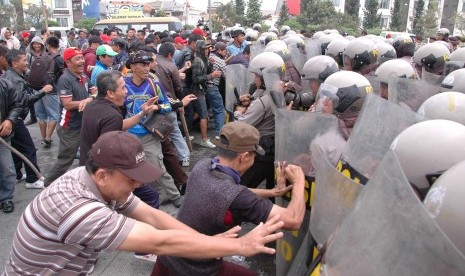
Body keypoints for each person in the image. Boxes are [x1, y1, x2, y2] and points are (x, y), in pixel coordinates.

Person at [3, 130, 285, 275]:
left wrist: (202, 239)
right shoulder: (80, 211)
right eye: (131, 179)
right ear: (103, 175)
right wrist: (238, 245)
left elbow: (153, 217)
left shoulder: (89, 177)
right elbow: (158, 242)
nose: (138, 185)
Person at [153, 122, 305, 275]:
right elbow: (293, 220)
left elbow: (232, 192)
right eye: (254, 156)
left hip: (167, 257)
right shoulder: (235, 197)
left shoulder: (203, 166)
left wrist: (273, 192)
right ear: (244, 157)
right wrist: (299, 182)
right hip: (196, 270)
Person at [124, 50, 183, 207]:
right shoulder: (123, 84)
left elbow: (167, 105)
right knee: (128, 170)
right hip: (127, 135)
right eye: (142, 65)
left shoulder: (153, 83)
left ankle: (175, 197)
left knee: (158, 168)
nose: (146, 68)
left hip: (149, 135)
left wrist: (156, 108)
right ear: (132, 66)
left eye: (148, 64)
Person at [44, 48, 95, 186]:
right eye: (77, 59)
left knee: (89, 155)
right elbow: (67, 104)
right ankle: (48, 184)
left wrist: (93, 96)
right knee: (65, 160)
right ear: (68, 62)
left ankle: (85, 183)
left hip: (83, 125)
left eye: (81, 58)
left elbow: (94, 92)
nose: (82, 61)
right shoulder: (65, 79)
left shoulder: (84, 76)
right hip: (70, 128)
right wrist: (89, 100)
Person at [2, 49, 53, 189]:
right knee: (29, 148)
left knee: (16, 148)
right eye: (24, 60)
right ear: (14, 63)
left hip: (10, 119)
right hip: (14, 120)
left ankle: (17, 174)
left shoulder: (10, 75)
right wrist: (43, 91)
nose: (27, 63)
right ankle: (32, 179)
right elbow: (22, 102)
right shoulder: (16, 80)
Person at [155, 42, 192, 167]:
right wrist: (180, 103)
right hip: (169, 103)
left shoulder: (153, 63)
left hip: (153, 105)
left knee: (157, 134)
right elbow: (178, 87)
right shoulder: (170, 65)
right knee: (175, 131)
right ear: (170, 54)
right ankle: (184, 156)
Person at [190, 40, 221, 148]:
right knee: (204, 115)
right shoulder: (198, 61)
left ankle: (185, 130)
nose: (208, 51)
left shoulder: (203, 59)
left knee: (198, 114)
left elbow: (206, 72)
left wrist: (211, 65)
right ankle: (204, 139)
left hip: (201, 89)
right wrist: (211, 76)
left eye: (208, 48)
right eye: (205, 49)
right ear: (200, 49)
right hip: (197, 90)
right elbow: (195, 79)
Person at [0, 77, 22, 213]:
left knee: (7, 168)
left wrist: (9, 120)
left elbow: (17, 104)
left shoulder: (5, 84)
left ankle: (6, 197)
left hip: (3, 134)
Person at [207, 41, 227, 138]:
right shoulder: (220, 61)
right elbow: (226, 76)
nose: (225, 53)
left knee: (204, 111)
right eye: (224, 51)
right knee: (219, 110)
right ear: (219, 50)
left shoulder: (208, 56)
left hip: (201, 87)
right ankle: (219, 133)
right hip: (212, 87)